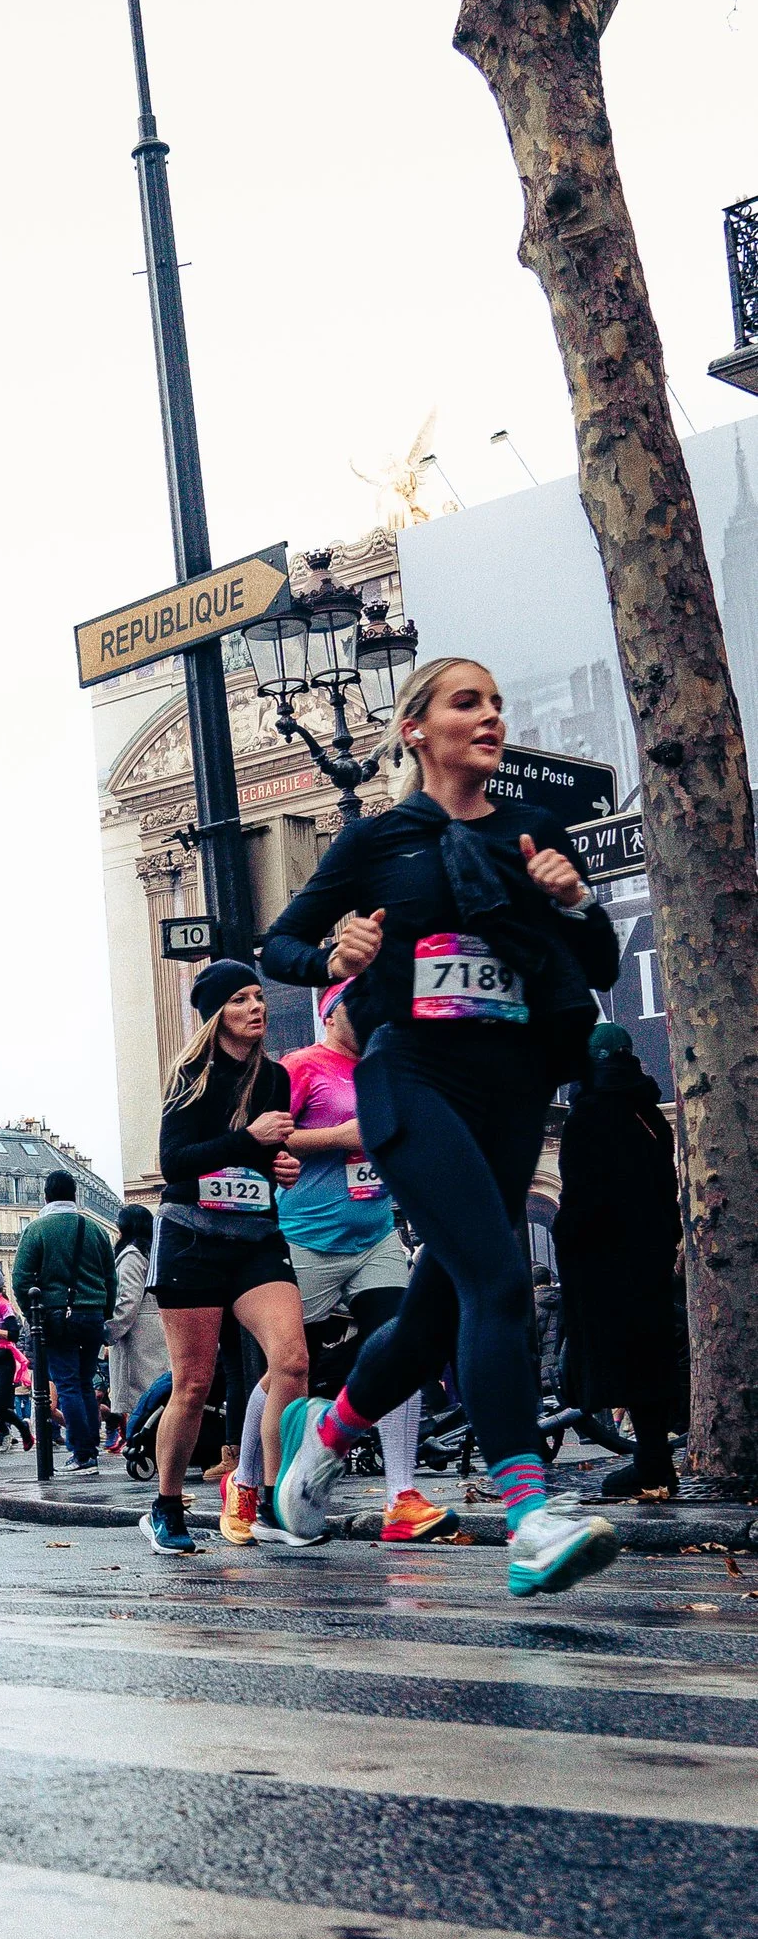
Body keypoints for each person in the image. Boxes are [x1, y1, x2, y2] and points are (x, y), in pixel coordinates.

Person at [267, 655, 625, 1598]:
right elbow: (281, 942)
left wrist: (572, 900)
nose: (492, 716)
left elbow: (598, 962)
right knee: (500, 1278)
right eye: (469, 702)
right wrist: (333, 953)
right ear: (416, 729)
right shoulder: (381, 841)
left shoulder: (534, 834)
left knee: (435, 1315)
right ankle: (530, 1518)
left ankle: (318, 1451)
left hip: (510, 1088)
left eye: (499, 703)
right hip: (410, 1077)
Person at [235, 985, 446, 1544]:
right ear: (330, 1014)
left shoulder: (385, 1069)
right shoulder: (300, 1067)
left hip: (375, 1236)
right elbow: (269, 1143)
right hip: (307, 1240)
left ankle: (401, 1496)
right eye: (360, 1005)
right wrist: (340, 1137)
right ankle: (247, 1480)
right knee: (287, 1369)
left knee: (403, 1346)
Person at [147, 959, 310, 1558]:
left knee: (291, 1358)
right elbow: (175, 1165)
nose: (256, 1007)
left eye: (259, 997)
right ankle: (166, 1506)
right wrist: (252, 1141)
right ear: (218, 1013)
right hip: (193, 1237)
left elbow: (268, 1158)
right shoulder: (190, 1075)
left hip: (256, 1237)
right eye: (241, 999)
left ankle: (265, 1497)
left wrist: (282, 1167)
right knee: (193, 1382)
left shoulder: (275, 1079)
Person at [553, 1018, 682, 1506]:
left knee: (619, 1358)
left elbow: (581, 1198)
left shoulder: (587, 1114)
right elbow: (665, 1190)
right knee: (651, 1355)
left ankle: (652, 1462)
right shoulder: (648, 1114)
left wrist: (572, 1239)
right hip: (648, 1256)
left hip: (603, 1261)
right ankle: (654, 1459)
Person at [9, 1168, 117, 1475]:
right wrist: (104, 1311)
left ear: (46, 1195)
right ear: (75, 1195)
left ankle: (81, 1454)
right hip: (92, 1314)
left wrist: (34, 1315)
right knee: (84, 1383)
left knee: (67, 1384)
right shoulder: (94, 1229)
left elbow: (20, 1279)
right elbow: (111, 1276)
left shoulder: (38, 1229)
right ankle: (90, 1451)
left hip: (57, 1315)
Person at [105, 1203, 169, 1456]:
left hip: (138, 1333)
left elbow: (127, 1300)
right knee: (156, 1392)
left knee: (141, 1395)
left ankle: (144, 1446)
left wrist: (109, 1331)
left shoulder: (131, 1255)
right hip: (156, 1327)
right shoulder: (153, 1251)